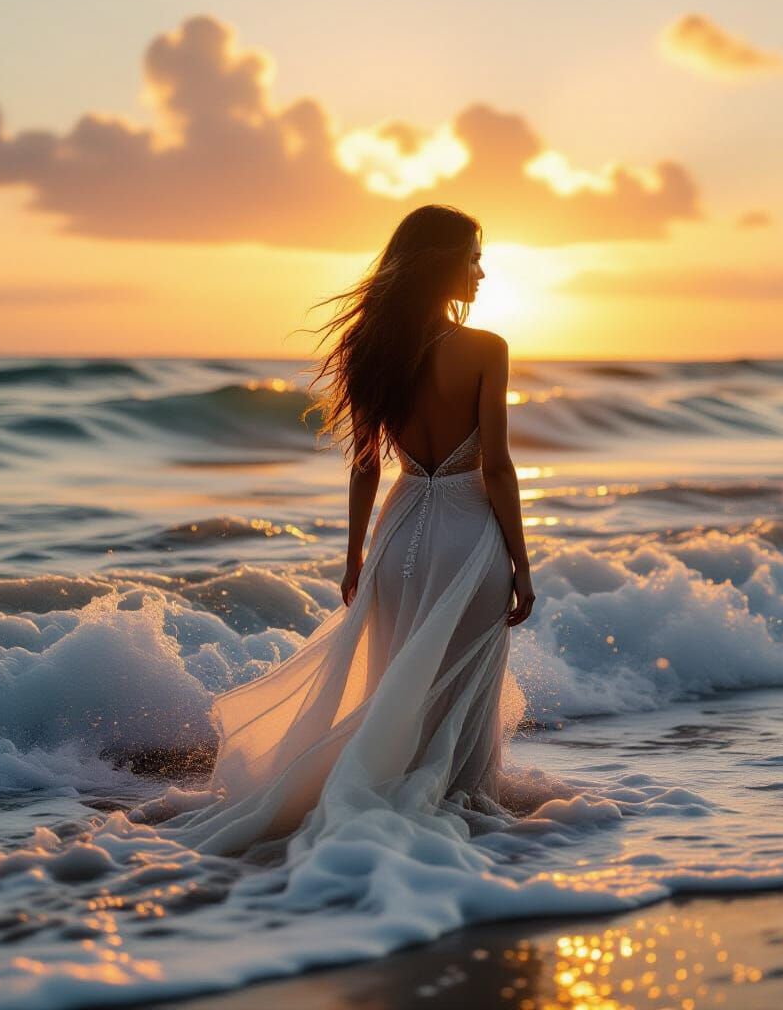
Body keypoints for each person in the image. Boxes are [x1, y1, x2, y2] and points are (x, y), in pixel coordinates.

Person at [150, 205, 545, 867]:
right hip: (468, 538)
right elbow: (498, 467)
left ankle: (388, 803)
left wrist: (356, 556)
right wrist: (522, 565)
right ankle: (461, 817)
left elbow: (365, 463)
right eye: (472, 257)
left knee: (396, 682)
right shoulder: (486, 349)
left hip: (397, 535)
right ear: (439, 261)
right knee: (459, 687)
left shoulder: (371, 349)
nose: (481, 272)